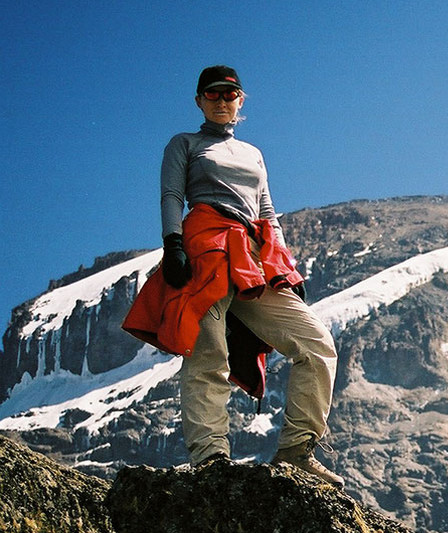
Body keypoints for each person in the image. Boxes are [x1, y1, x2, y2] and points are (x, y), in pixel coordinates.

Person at [123, 65, 342, 488]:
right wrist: (173, 244)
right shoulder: (184, 144)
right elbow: (171, 195)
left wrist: (284, 264)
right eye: (213, 94)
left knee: (316, 343)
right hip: (203, 247)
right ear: (199, 101)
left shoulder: (254, 154)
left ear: (241, 100)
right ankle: (211, 458)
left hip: (251, 256)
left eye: (230, 94)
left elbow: (266, 212)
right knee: (207, 351)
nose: (221, 101)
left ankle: (297, 450)